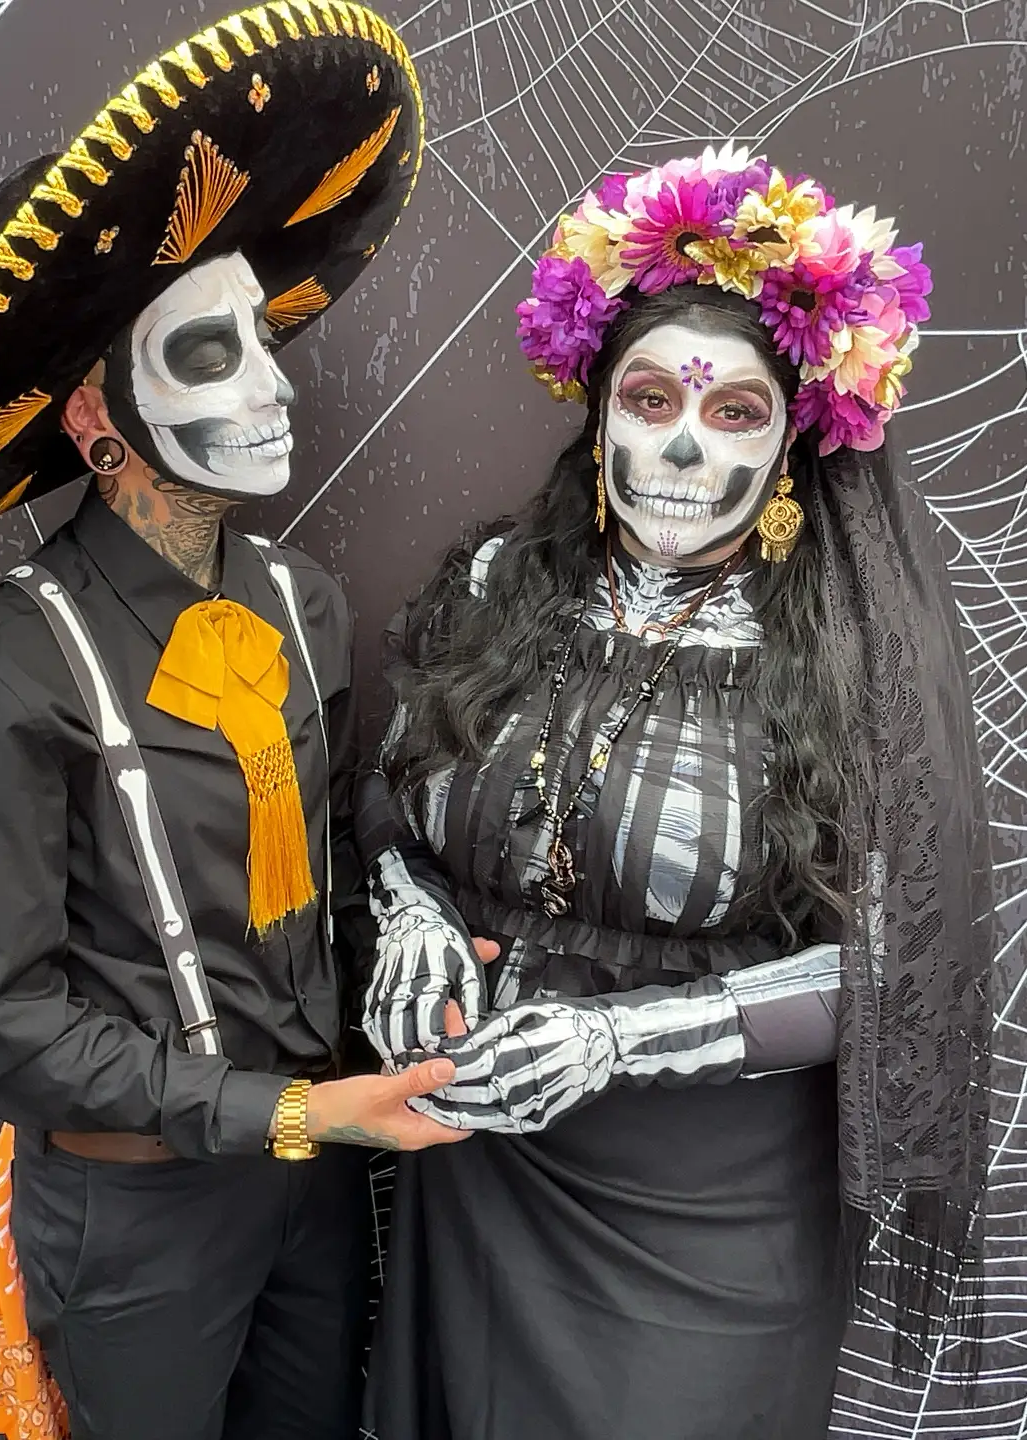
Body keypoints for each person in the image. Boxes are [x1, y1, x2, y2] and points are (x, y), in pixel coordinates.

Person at [357, 146, 994, 1440]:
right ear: (598, 415)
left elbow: (898, 965)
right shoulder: (498, 588)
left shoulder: (848, 660)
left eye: (735, 412)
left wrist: (612, 1042)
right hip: (475, 1159)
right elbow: (392, 794)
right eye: (648, 400)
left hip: (703, 1214)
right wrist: (410, 919)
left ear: (794, 437)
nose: (682, 444)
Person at [0, 10, 466, 1440]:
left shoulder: (305, 605)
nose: (274, 381)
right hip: (136, 1216)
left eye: (263, 336)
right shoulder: (3, 662)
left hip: (317, 1188)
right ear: (95, 419)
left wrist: (425, 952)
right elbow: (5, 1028)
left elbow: (335, 866)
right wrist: (290, 1114)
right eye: (209, 350)